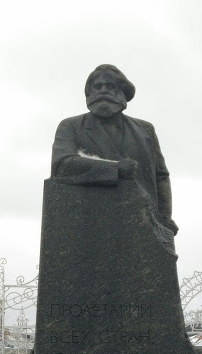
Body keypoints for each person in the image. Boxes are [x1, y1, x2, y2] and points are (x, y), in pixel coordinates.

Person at [51, 64, 179, 236]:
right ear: (89, 93)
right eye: (97, 86)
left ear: (122, 92)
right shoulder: (71, 126)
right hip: (89, 226)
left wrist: (164, 217)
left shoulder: (145, 130)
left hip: (142, 225)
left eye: (110, 86)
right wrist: (115, 169)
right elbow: (61, 166)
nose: (103, 90)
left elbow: (161, 176)